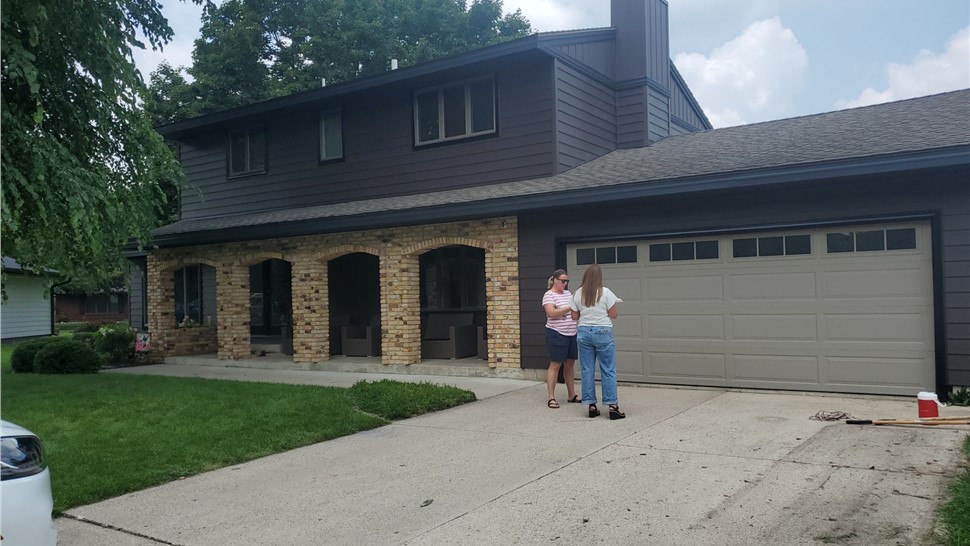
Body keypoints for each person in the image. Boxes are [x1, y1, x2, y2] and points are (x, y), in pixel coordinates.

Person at [570, 264, 624, 420]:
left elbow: (574, 317)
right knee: (608, 369)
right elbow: (614, 314)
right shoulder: (606, 292)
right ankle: (612, 406)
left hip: (584, 332)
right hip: (602, 332)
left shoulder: (577, 294)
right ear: (599, 277)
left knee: (587, 369)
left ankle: (591, 405)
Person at [542, 269, 579, 408]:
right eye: (563, 281)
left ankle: (572, 394)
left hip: (571, 333)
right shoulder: (549, 295)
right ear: (555, 281)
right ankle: (551, 397)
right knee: (555, 364)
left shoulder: (568, 294)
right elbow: (551, 313)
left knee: (570, 364)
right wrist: (569, 308)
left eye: (567, 281)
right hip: (556, 333)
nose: (565, 283)